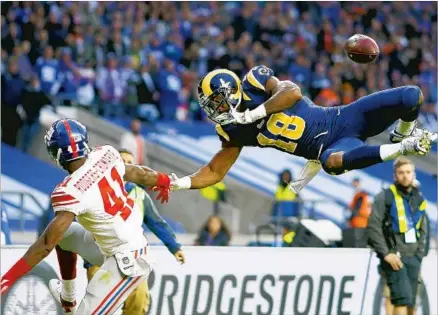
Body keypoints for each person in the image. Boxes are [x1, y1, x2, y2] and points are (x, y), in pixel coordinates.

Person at [169, 66, 436, 194]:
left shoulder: (253, 83)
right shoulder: (231, 131)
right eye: (210, 104)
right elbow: (215, 172)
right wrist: (180, 182)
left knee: (411, 96)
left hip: (343, 118)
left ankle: (403, 134)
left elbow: (291, 92)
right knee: (332, 162)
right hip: (327, 148)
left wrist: (254, 113)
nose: (214, 109)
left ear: (233, 91)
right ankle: (403, 147)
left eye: (216, 100)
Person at [0, 118, 172, 315]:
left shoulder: (70, 190)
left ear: (57, 154)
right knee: (65, 234)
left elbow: (46, 244)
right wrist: (165, 180)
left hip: (127, 261)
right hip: (121, 244)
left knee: (56, 234)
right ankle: (68, 297)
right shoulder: (105, 153)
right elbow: (138, 172)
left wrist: (6, 280)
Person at [83, 148, 185, 315]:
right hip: (100, 258)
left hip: (133, 259)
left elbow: (157, 223)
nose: (126, 165)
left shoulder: (139, 194)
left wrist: (175, 247)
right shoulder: (95, 190)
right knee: (99, 308)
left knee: (139, 304)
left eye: (130, 162)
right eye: (122, 161)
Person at [367, 157, 428, 315]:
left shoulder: (418, 197)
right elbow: (373, 226)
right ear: (395, 176)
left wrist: (419, 254)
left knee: (411, 305)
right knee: (400, 300)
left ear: (413, 174)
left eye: (408, 172)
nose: (405, 176)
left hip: (414, 257)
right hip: (395, 257)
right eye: (401, 173)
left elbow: (424, 227)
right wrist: (386, 254)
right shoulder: (384, 197)